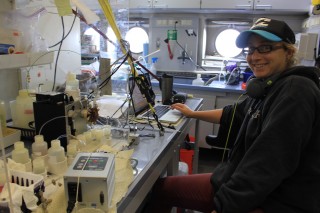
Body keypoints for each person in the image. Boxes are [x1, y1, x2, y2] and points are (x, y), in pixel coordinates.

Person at [143, 17, 320, 213]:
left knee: (161, 190)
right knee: (161, 189)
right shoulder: (268, 87)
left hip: (275, 200)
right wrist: (193, 113)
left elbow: (268, 162)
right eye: (251, 50)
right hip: (235, 180)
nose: (254, 57)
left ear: (288, 51)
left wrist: (223, 207)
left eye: (265, 48)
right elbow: (234, 114)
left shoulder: (296, 90)